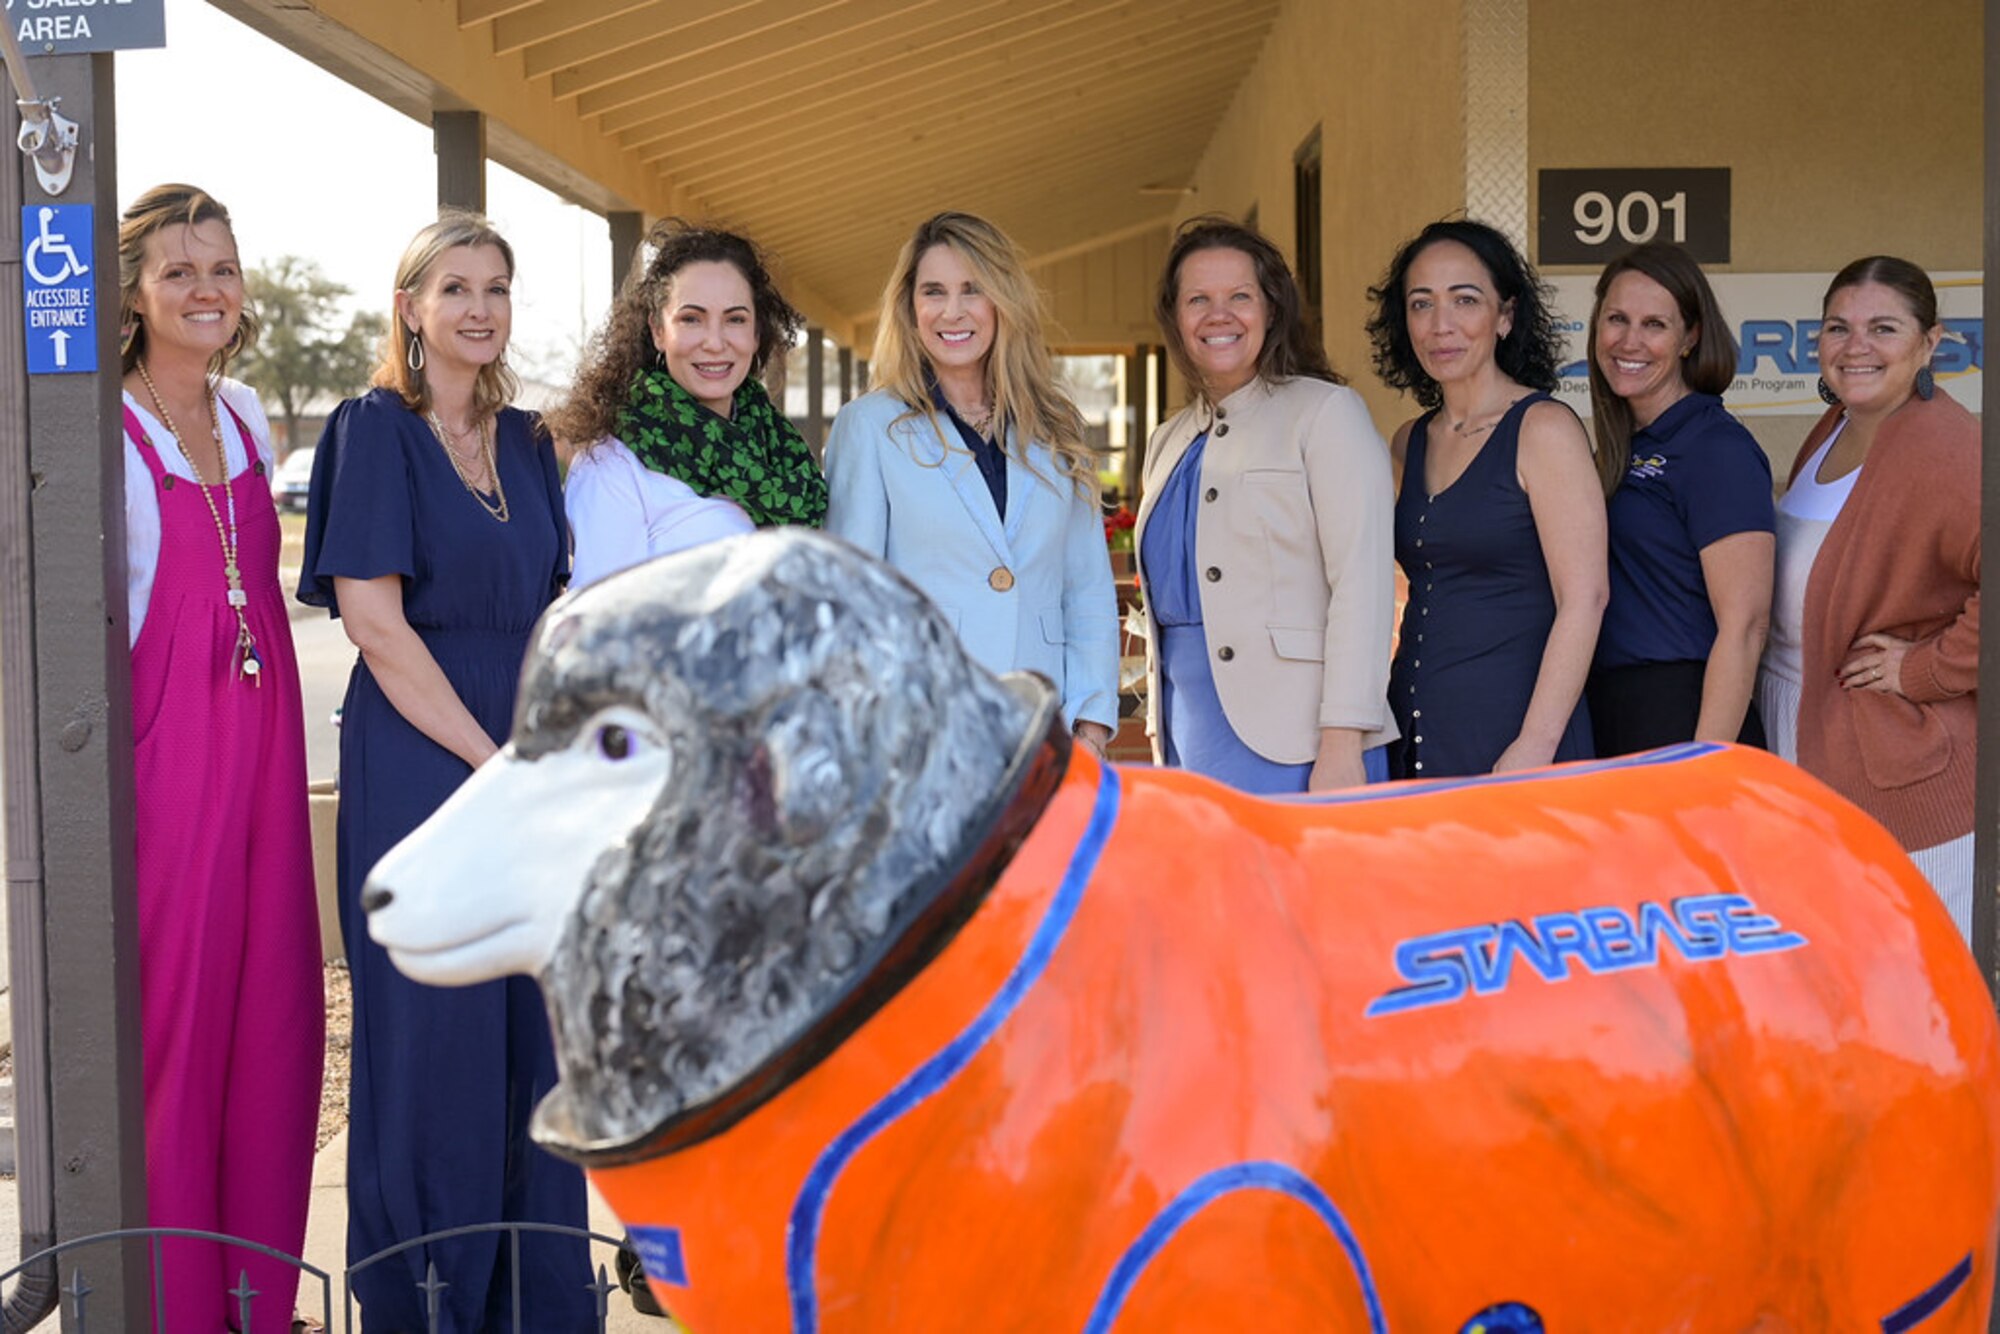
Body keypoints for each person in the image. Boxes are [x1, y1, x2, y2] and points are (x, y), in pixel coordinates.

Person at [300, 211, 593, 1333]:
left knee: (534, 1043)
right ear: (410, 308)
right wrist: (492, 759)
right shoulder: (372, 429)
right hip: (425, 770)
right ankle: (427, 1308)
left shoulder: (528, 440)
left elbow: (547, 605)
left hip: (521, 758)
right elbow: (375, 624)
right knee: (432, 1055)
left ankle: (541, 1307)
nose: (478, 308)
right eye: (455, 287)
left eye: (497, 288)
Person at [117, 182, 322, 1334]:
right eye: (180, 270)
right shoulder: (108, 427)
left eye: (223, 268)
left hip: (265, 760)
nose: (206, 289)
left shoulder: (246, 415)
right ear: (137, 293)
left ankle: (258, 1299)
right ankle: (176, 1308)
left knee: (275, 1023)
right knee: (178, 1034)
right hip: (171, 772)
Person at [825, 210, 1117, 752]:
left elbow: (1087, 588)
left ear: (1003, 302)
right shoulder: (869, 427)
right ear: (910, 308)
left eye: (972, 290)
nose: (952, 311)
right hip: (923, 733)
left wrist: (1092, 725)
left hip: (1046, 728)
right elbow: (853, 601)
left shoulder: (1057, 426)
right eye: (934, 291)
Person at [1132, 216, 1396, 792]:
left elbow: (1363, 585)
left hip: (1300, 740)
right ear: (1176, 318)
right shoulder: (1167, 439)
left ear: (1272, 309)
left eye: (1240, 297)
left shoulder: (1326, 413)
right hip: (1187, 731)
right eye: (1198, 299)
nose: (1218, 315)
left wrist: (1344, 740)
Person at [1756, 256, 1977, 938]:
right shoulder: (1835, 430)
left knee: (1916, 985)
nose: (1856, 347)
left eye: (1883, 328)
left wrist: (1924, 668)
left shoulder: (1950, 450)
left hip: (1899, 773)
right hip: (1806, 741)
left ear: (1930, 342)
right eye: (1837, 327)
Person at [1367, 218, 1606, 778]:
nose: (1441, 325)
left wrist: (1535, 745)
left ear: (1505, 316)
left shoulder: (1544, 430)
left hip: (1517, 743)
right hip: (1418, 731)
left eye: (1465, 301)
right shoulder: (1410, 441)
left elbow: (1586, 599)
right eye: (1421, 304)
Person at [552, 219, 822, 590]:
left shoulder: (777, 448)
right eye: (691, 319)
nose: (714, 342)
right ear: (657, 331)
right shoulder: (615, 461)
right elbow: (601, 624)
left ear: (757, 333)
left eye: (735, 319)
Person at [1584, 243, 1774, 754]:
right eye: (1617, 318)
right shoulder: (1621, 445)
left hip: (1682, 714)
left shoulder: (1715, 448)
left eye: (1655, 325)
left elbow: (1746, 625)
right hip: (1610, 711)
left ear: (1690, 336)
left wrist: (1703, 760)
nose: (1629, 341)